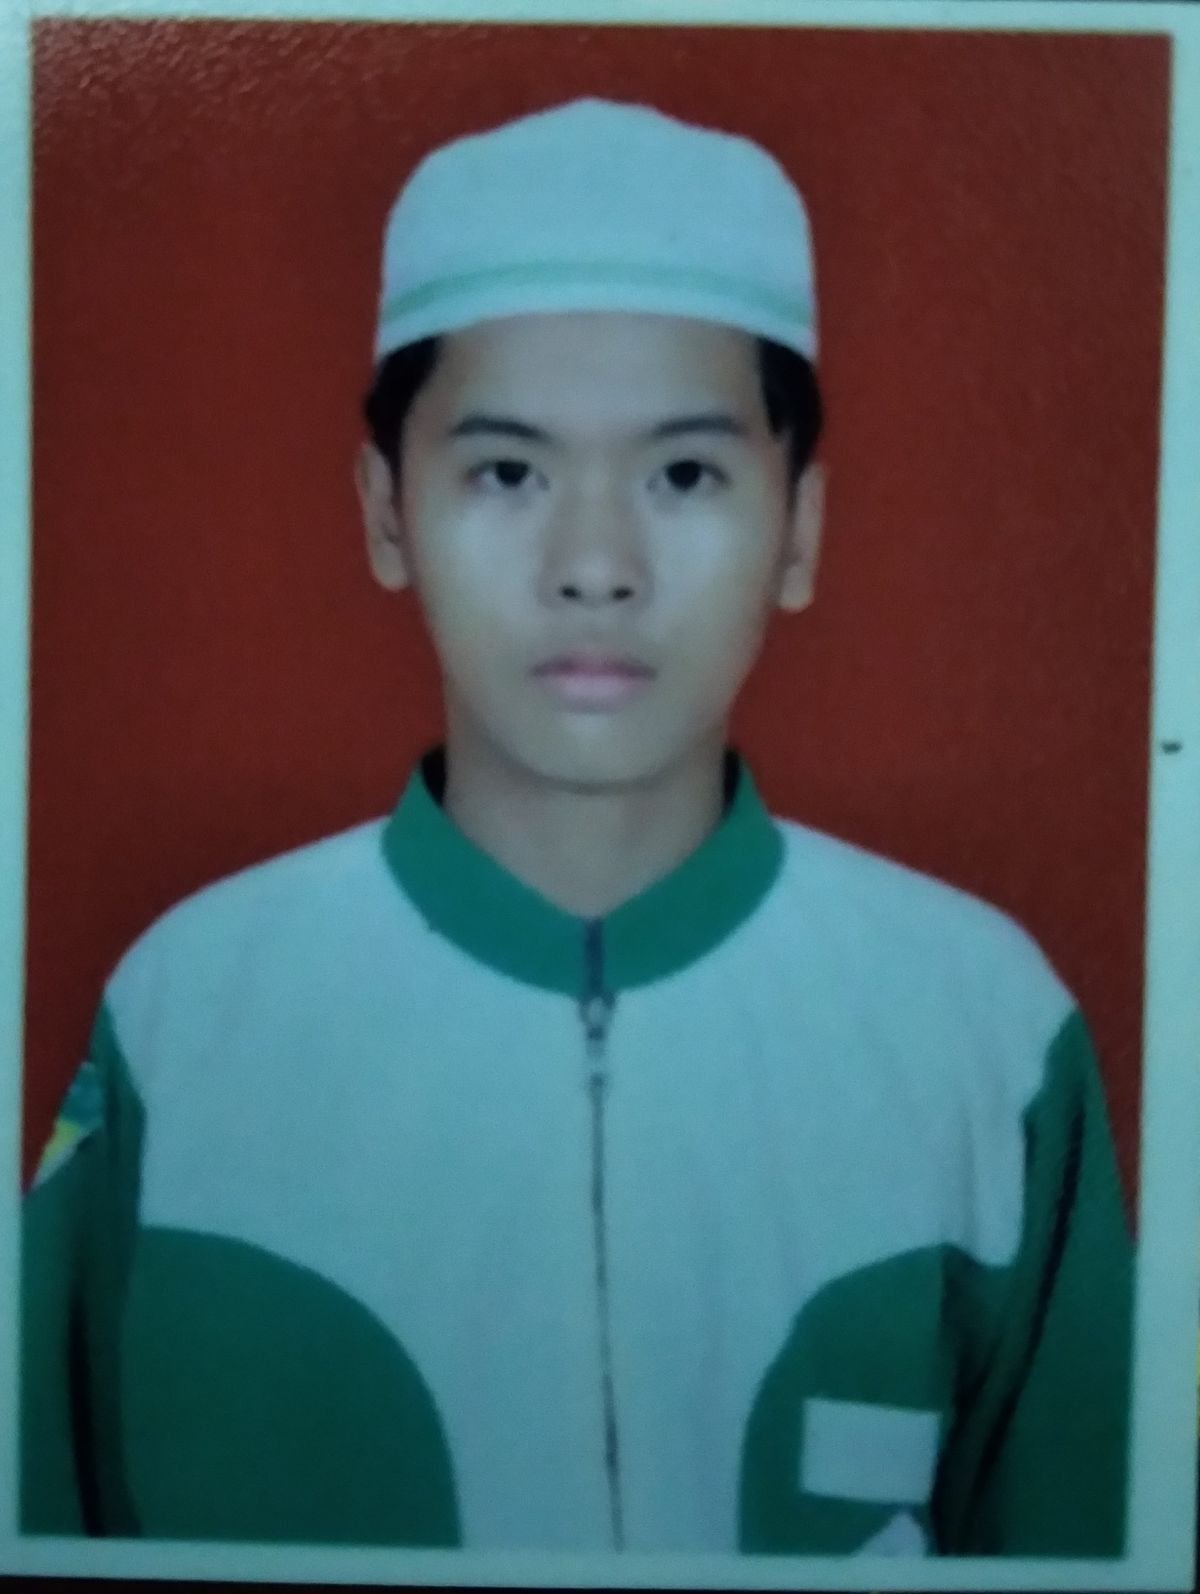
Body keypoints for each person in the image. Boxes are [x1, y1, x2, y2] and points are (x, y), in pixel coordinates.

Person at [21, 97, 1133, 1558]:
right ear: (385, 513)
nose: (596, 565)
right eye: (507, 472)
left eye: (684, 475)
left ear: (799, 528)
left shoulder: (983, 1026)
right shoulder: (190, 1014)